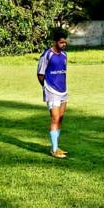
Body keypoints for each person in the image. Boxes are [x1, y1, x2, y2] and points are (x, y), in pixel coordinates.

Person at [38, 28, 69, 158]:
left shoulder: (64, 55)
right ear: (55, 42)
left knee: (60, 118)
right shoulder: (47, 55)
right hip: (52, 91)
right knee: (55, 118)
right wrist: (46, 87)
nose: (63, 45)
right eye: (61, 42)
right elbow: (40, 74)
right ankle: (54, 149)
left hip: (63, 91)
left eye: (65, 43)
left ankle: (56, 146)